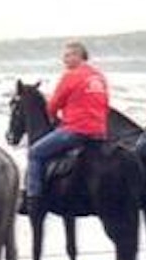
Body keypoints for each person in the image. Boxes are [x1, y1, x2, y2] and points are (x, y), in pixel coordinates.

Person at [22, 41, 109, 213]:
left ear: (79, 56)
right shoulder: (99, 77)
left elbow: (53, 105)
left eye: (68, 55)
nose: (65, 59)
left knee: (35, 153)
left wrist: (54, 116)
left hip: (76, 130)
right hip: (99, 131)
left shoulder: (71, 75)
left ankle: (33, 199)